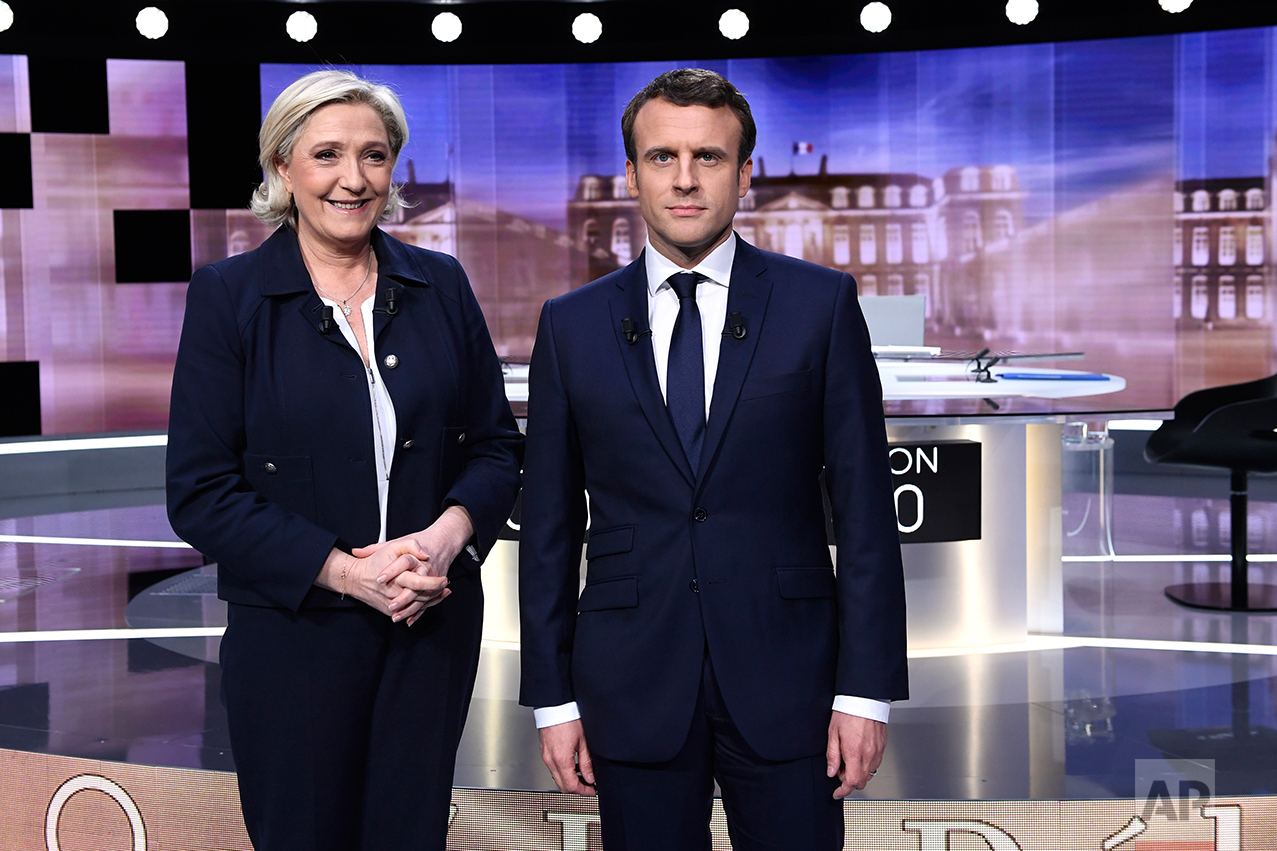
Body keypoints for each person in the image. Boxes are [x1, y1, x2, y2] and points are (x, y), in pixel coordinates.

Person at [518, 68, 908, 850]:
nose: (685, 179)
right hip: (631, 676)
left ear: (745, 172)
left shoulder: (819, 304)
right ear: (630, 174)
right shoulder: (570, 325)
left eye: (709, 157)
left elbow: (865, 508)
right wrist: (552, 699)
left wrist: (866, 690)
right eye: (661, 157)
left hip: (787, 673)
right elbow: (550, 525)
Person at [166, 70, 522, 851]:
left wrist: (446, 537)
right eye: (326, 154)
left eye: (373, 155)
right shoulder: (229, 296)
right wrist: (344, 570)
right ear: (283, 168)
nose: (352, 179)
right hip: (294, 637)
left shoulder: (441, 285)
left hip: (429, 626)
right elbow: (200, 491)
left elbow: (497, 446)